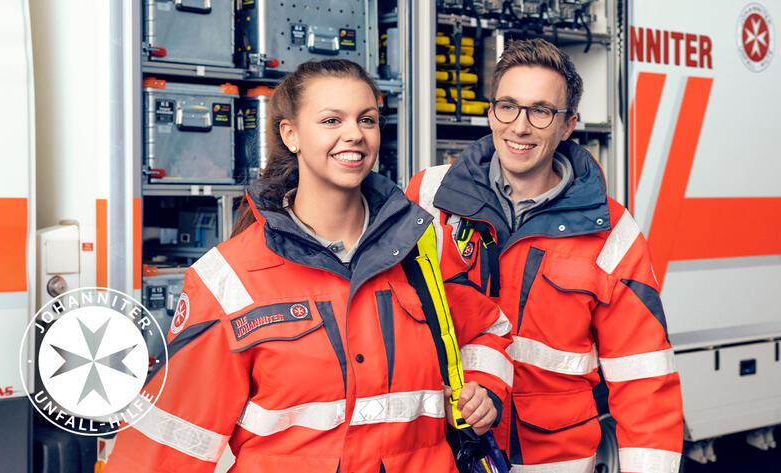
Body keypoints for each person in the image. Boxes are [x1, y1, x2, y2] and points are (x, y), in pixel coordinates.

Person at [105, 59, 513, 473]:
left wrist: (485, 389)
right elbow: (167, 441)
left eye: (367, 119)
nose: (353, 134)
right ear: (291, 135)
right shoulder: (231, 277)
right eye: (332, 120)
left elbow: (487, 329)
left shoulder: (423, 247)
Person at [407, 39, 683, 472]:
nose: (519, 126)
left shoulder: (612, 232)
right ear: (490, 111)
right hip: (440, 450)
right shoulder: (428, 196)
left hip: (553, 461)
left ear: (568, 124)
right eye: (508, 106)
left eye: (540, 111)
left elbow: (645, 382)